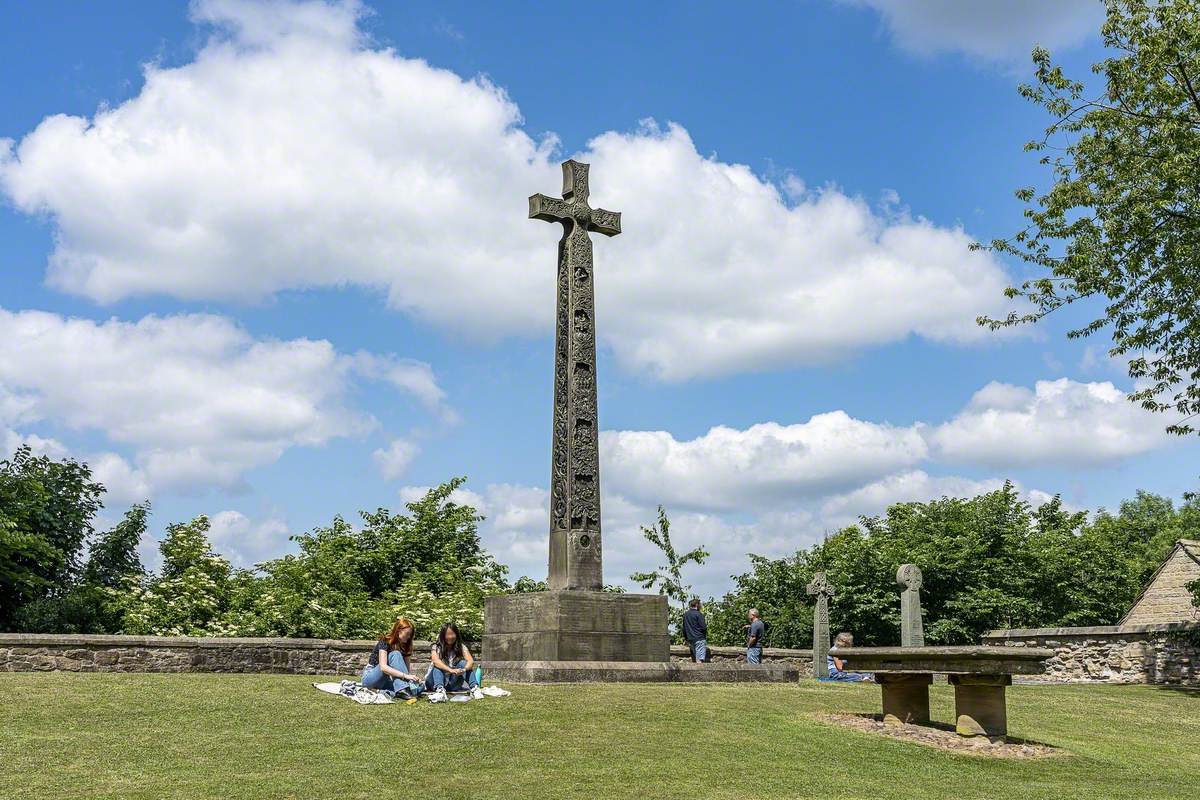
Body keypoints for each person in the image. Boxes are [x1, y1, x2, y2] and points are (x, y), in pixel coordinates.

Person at [361, 617, 425, 698]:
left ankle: (405, 690)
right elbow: (383, 667)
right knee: (395, 654)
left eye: (410, 635)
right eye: (407, 633)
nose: (408, 637)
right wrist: (406, 676)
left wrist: (412, 679)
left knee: (405, 685)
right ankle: (407, 690)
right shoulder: (385, 641)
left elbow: (405, 671)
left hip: (386, 680)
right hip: (370, 678)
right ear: (398, 630)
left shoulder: (406, 646)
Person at [426, 622, 483, 701]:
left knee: (463, 663)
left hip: (452, 683)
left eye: (452, 634)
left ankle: (474, 688)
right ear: (443, 635)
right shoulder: (436, 647)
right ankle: (440, 691)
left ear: (456, 635)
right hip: (434, 682)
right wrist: (451, 670)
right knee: (437, 666)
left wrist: (464, 670)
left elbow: (471, 661)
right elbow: (436, 661)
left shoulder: (461, 647)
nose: (450, 637)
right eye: (447, 634)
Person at [682, 597, 708, 663]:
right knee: (699, 660)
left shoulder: (686, 615)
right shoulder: (699, 614)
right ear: (697, 605)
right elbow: (704, 627)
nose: (701, 606)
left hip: (691, 639)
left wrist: (686, 639)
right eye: (700, 604)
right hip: (699, 639)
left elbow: (684, 628)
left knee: (696, 659)